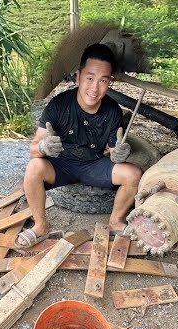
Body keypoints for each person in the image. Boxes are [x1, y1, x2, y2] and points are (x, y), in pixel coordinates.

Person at [16, 43, 141, 248]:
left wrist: (119, 153)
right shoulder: (58, 105)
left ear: (110, 82)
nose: (95, 88)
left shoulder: (112, 111)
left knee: (134, 174)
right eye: (90, 78)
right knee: (33, 168)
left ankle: (115, 222)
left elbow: (112, 152)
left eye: (103, 80)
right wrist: (44, 147)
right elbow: (33, 149)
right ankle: (40, 226)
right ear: (78, 76)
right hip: (61, 165)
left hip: (93, 165)